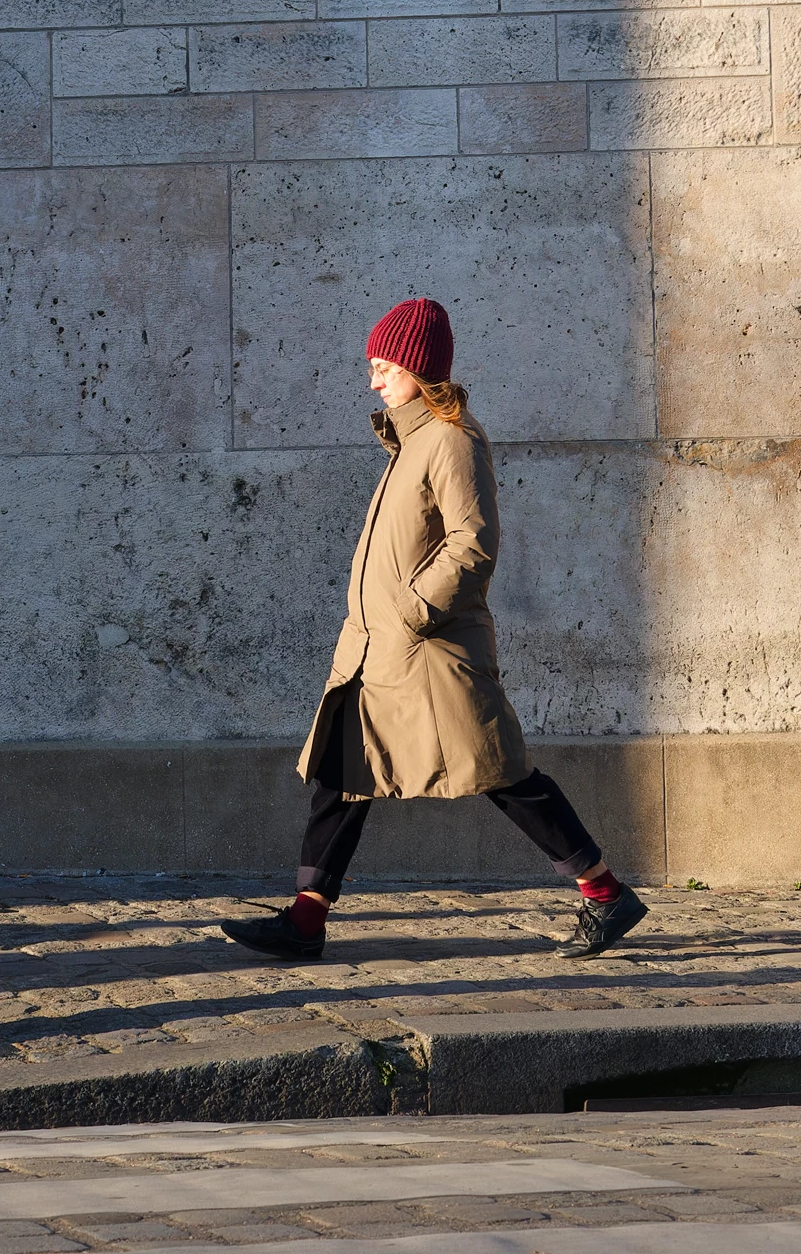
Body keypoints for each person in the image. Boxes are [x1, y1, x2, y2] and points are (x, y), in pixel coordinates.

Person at [221, 296, 647, 963]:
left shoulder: (450, 441)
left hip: (431, 649)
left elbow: (472, 543)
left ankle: (604, 892)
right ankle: (306, 918)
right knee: (343, 770)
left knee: (501, 771)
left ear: (420, 370)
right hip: (378, 650)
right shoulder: (410, 442)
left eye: (385, 365)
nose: (374, 379)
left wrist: (414, 610)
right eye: (373, 366)